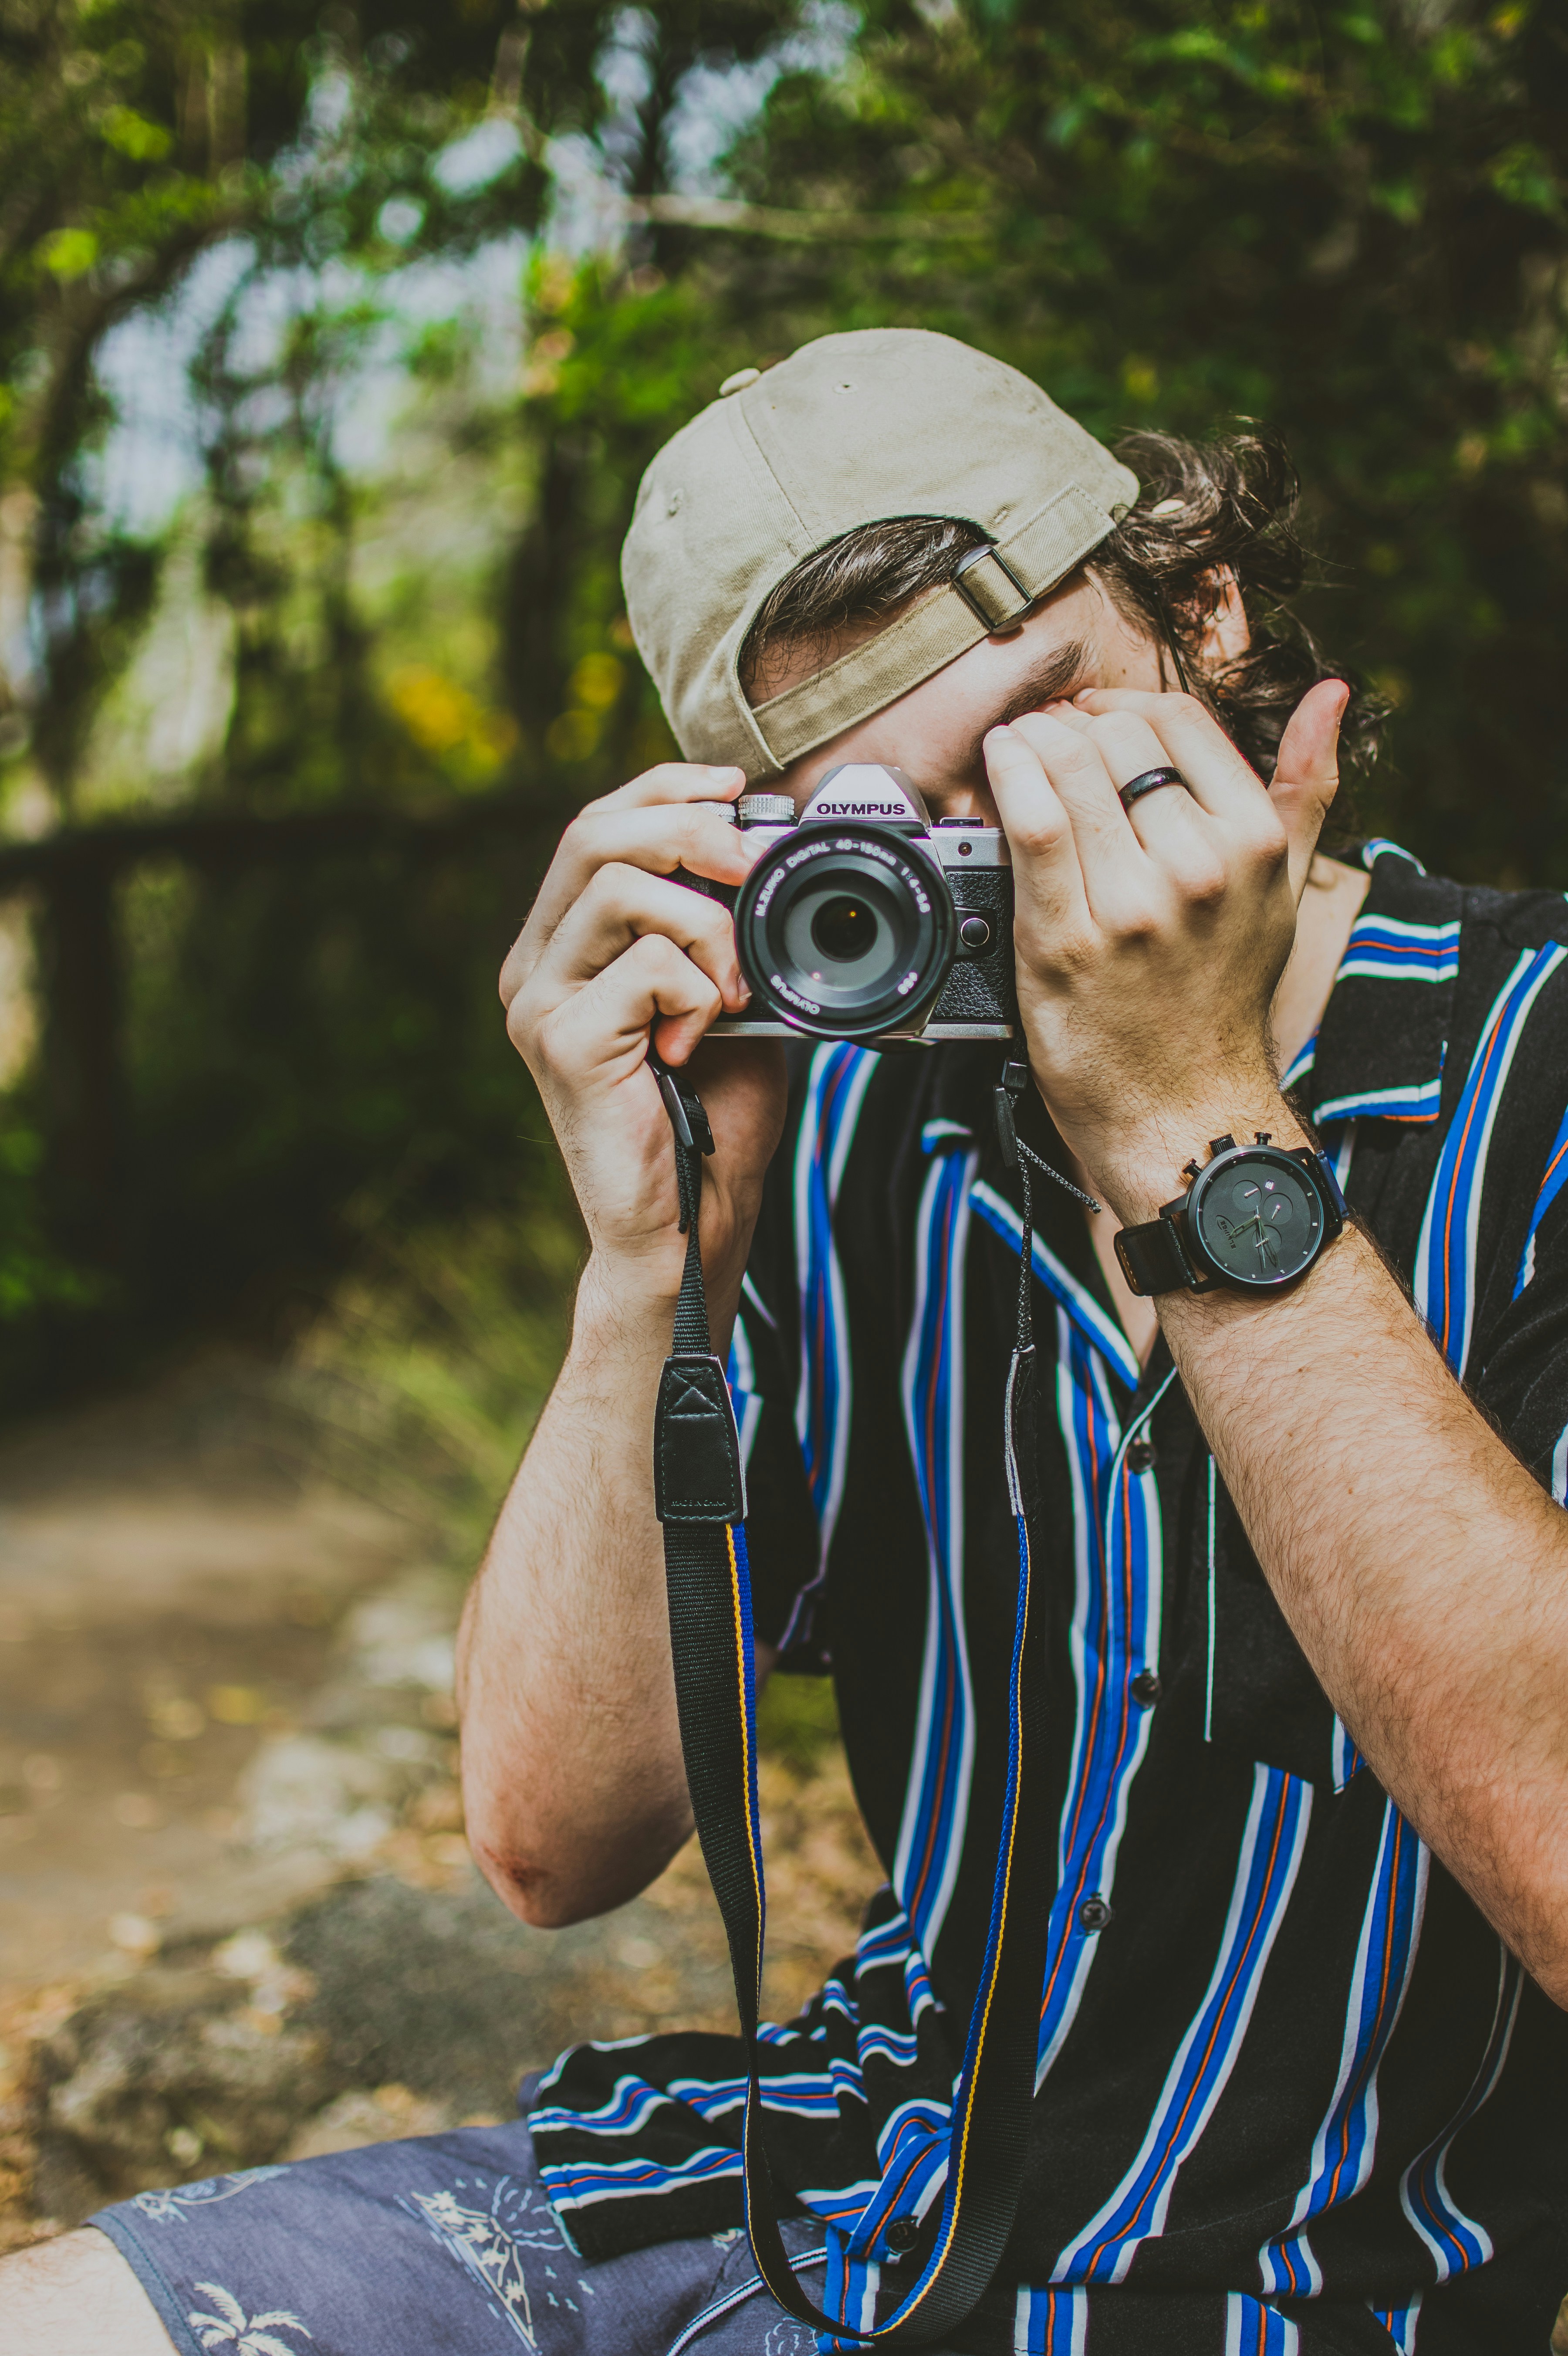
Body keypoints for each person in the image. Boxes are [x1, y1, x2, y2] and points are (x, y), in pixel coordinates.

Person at [10, 328, 1568, 2356]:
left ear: (1207, 610)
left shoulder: (1538, 1061)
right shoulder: (842, 1117)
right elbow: (555, 1842)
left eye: (1040, 737)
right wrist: (654, 1267)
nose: (1006, 868)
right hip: (817, 2189)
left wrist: (1196, 1132)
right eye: (881, 832)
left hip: (1300, 2297)